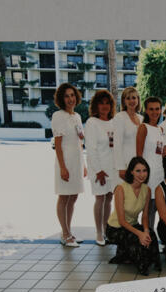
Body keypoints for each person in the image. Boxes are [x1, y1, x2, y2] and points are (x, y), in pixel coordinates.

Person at [106, 157, 161, 275]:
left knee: (151, 234)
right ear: (131, 171)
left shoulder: (147, 190)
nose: (142, 175)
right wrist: (139, 234)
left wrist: (145, 231)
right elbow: (121, 221)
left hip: (133, 225)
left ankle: (153, 262)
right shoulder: (121, 189)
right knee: (136, 239)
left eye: (144, 170)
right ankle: (141, 265)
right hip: (115, 228)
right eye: (138, 171)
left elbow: (145, 216)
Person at [51, 83, 86, 247]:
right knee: (64, 197)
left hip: (77, 161)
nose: (70, 99)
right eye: (66, 96)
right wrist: (63, 167)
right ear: (61, 99)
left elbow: (80, 142)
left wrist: (84, 164)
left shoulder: (77, 116)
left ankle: (69, 231)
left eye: (72, 95)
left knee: (73, 197)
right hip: (65, 161)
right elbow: (58, 145)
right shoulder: (58, 116)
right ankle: (64, 234)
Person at [84, 89, 117, 246]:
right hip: (99, 169)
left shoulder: (113, 122)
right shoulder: (92, 123)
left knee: (109, 198)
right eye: (101, 103)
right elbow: (90, 149)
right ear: (96, 105)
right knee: (100, 198)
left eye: (107, 103)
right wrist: (98, 171)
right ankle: (98, 232)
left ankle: (106, 230)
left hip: (112, 168)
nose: (104, 106)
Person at [136, 96, 164, 230]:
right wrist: (142, 177)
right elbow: (139, 156)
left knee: (158, 210)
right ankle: (147, 242)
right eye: (151, 109)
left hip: (160, 175)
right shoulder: (143, 127)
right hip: (148, 176)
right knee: (148, 211)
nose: (155, 112)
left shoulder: (160, 129)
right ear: (146, 111)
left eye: (157, 109)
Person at [113, 86, 143, 182]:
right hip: (125, 165)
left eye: (134, 97)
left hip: (140, 164)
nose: (131, 101)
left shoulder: (142, 119)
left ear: (138, 99)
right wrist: (121, 167)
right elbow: (117, 144)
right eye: (128, 98)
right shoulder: (120, 117)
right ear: (124, 101)